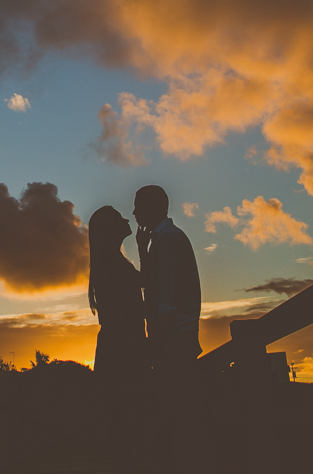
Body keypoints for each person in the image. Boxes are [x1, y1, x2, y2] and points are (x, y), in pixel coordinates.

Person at [88, 205, 149, 471]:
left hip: (119, 348)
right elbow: (129, 307)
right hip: (122, 350)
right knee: (127, 418)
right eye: (119, 218)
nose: (126, 218)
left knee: (125, 418)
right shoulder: (111, 263)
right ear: (109, 230)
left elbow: (143, 284)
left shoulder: (112, 261)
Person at [133, 185, 201, 370]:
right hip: (173, 333)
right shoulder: (163, 237)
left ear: (151, 208)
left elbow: (166, 292)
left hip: (175, 335)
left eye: (138, 207)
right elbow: (152, 282)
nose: (133, 212)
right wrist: (142, 249)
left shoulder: (167, 238)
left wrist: (158, 336)